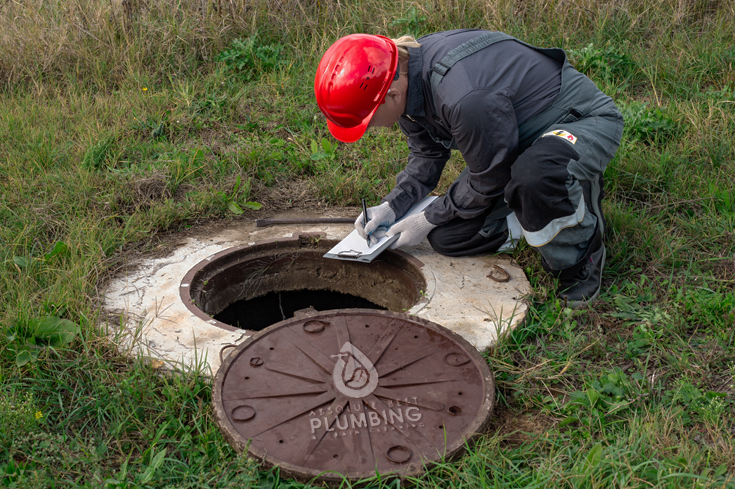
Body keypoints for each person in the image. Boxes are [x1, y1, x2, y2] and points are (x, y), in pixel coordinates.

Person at [314, 30, 624, 308]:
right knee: (448, 238)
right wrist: (393, 206)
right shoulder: (405, 79)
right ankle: (536, 209)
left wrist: (426, 217)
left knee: (536, 178)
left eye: (367, 122)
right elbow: (427, 154)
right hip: (512, 138)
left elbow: (489, 177)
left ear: (390, 96)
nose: (370, 130)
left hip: (576, 121)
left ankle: (581, 253)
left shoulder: (463, 96)